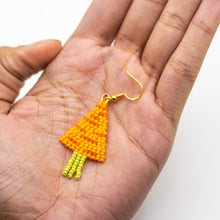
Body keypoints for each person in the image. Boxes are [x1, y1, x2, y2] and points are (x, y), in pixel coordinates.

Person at [0, 0, 219, 219]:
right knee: (79, 156)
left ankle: (72, 170)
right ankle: (72, 171)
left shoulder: (99, 115)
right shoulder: (98, 115)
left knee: (78, 156)